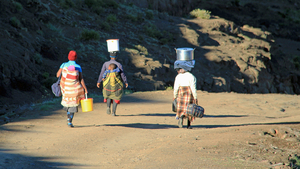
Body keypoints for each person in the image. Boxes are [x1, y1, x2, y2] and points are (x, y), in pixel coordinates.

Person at [56, 50, 88, 127]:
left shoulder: (63, 65)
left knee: (67, 104)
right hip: (75, 89)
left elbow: (58, 75)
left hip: (66, 89)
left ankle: (68, 115)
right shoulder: (78, 67)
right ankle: (69, 121)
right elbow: (81, 79)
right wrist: (85, 89)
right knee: (73, 105)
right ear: (76, 58)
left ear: (68, 57)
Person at [97, 52, 128, 116]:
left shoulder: (105, 64)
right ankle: (113, 112)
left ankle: (108, 107)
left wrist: (99, 81)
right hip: (117, 85)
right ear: (116, 57)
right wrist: (125, 82)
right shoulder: (119, 64)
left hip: (107, 84)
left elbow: (102, 73)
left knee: (108, 96)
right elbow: (122, 74)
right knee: (116, 97)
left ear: (110, 56)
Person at [173, 61, 197, 129]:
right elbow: (193, 88)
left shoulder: (178, 77)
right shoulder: (192, 76)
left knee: (181, 109)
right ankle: (189, 125)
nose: (178, 71)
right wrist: (195, 97)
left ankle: (180, 121)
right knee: (190, 110)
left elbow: (176, 88)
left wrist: (174, 96)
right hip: (189, 95)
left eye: (179, 69)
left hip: (181, 95)